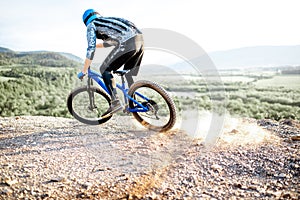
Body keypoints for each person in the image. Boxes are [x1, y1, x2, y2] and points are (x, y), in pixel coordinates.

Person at [77, 9, 144, 117]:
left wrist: (84, 70)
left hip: (128, 42)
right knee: (128, 74)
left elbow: (90, 49)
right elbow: (111, 42)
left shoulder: (92, 25)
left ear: (86, 21)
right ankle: (133, 105)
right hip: (140, 41)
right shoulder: (108, 22)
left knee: (105, 69)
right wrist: (97, 46)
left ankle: (115, 102)